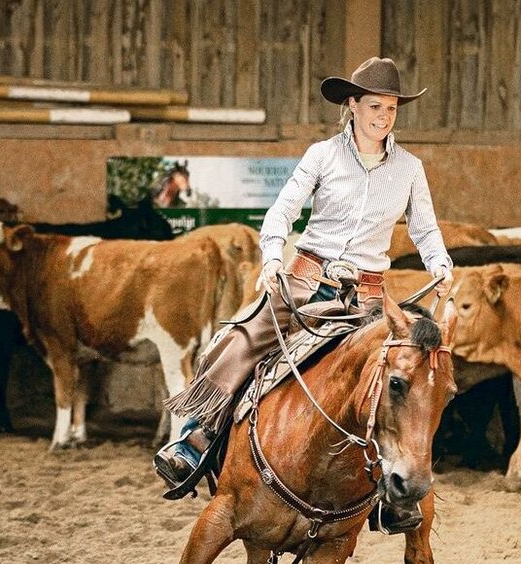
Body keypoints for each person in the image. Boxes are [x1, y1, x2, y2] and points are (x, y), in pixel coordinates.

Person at [153, 56, 454, 504]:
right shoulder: (323, 155)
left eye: (391, 109)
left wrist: (440, 263)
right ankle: (195, 440)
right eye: (374, 107)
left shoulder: (409, 168)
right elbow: (283, 211)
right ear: (352, 105)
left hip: (368, 299)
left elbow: (425, 228)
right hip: (307, 280)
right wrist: (273, 256)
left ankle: (393, 495)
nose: (383, 117)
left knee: (404, 377)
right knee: (241, 339)